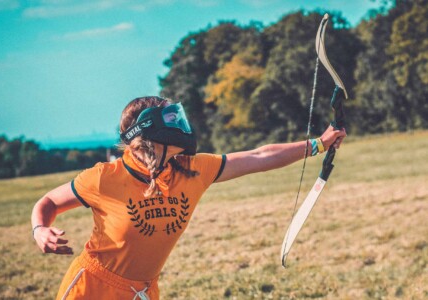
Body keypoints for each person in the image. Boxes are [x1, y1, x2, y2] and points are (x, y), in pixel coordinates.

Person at [31, 96, 346, 299]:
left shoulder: (192, 169)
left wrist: (318, 143)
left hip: (143, 290)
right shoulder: (103, 178)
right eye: (169, 120)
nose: (180, 125)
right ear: (147, 134)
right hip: (93, 289)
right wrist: (40, 229)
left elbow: (258, 156)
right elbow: (47, 203)